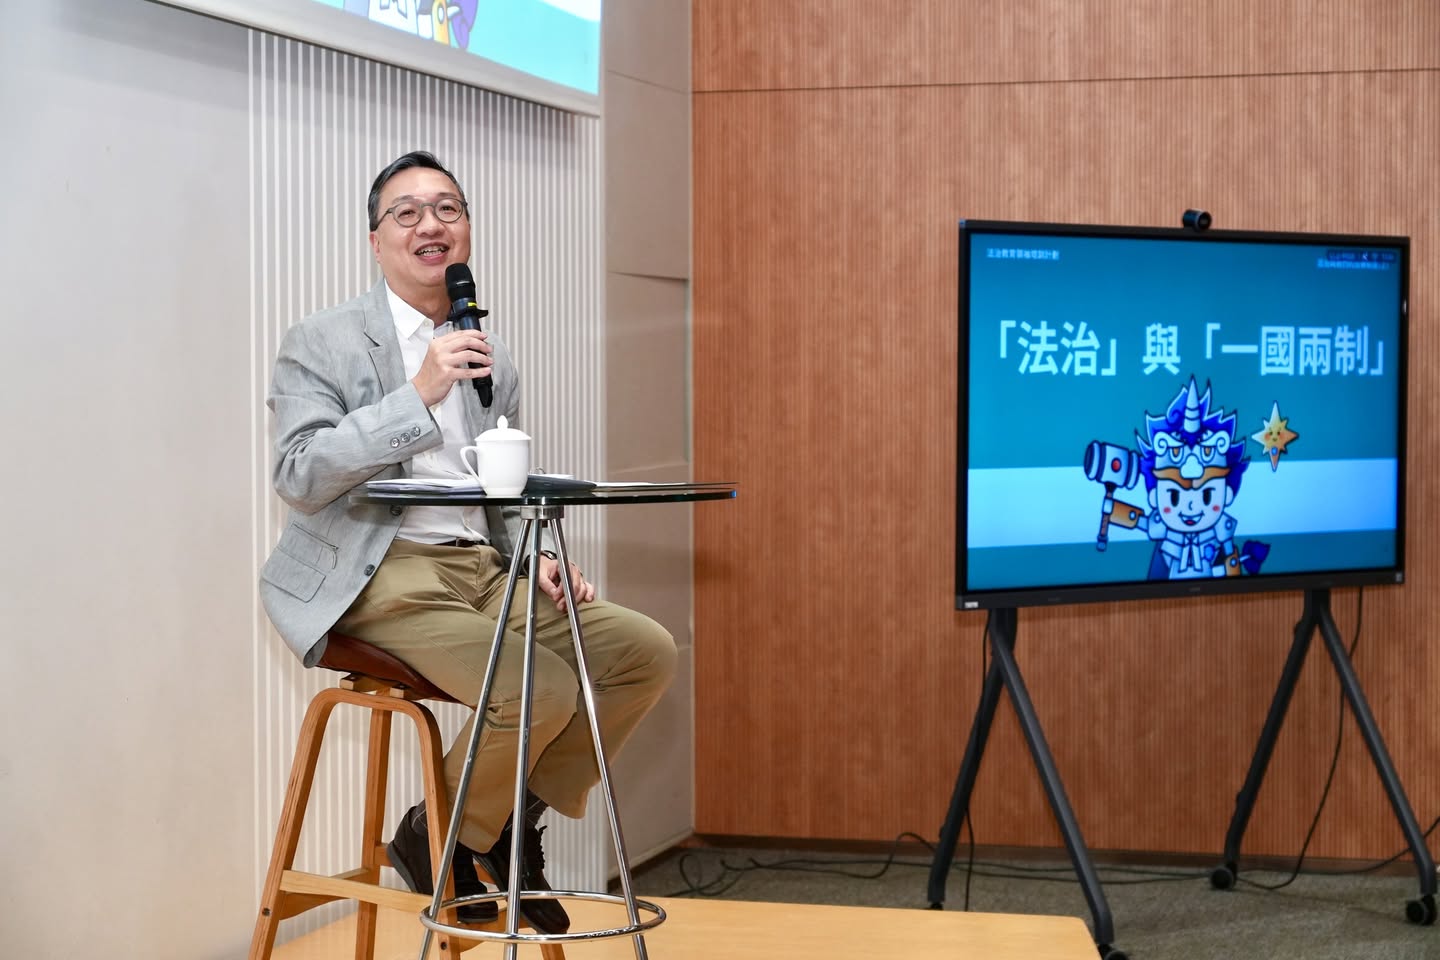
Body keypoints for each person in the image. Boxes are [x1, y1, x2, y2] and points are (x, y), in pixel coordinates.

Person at [258, 150, 677, 934]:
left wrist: (538, 553)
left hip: (482, 571)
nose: (431, 224)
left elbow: (498, 485)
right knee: (539, 688)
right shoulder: (322, 339)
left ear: (467, 232)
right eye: (407, 212)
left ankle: (493, 824)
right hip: (378, 573)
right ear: (376, 240)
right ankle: (449, 837)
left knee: (641, 652)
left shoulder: (489, 351)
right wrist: (418, 393)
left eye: (447, 208)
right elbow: (299, 473)